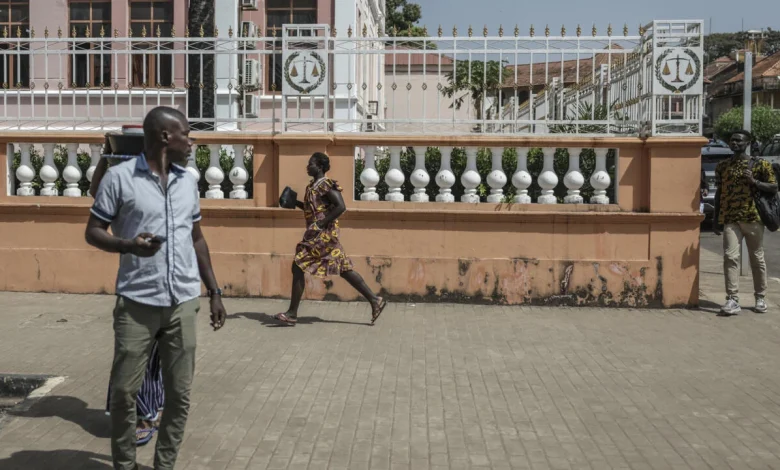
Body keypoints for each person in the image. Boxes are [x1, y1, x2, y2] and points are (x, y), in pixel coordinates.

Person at [85, 106, 227, 470]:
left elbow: (196, 239)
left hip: (183, 302)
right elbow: (94, 231)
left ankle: (164, 464)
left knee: (179, 395)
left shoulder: (187, 182)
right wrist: (129, 245)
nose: (191, 141)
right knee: (123, 393)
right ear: (166, 136)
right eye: (186, 134)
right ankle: (126, 464)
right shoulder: (119, 179)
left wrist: (214, 292)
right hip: (136, 303)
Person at [89, 161, 165, 447]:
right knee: (138, 355)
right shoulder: (121, 185)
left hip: (168, 287)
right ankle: (143, 415)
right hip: (137, 287)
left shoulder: (172, 183)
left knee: (156, 356)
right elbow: (95, 193)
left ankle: (151, 410)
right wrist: (105, 158)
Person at [274, 152, 387, 325]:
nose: (307, 166)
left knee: (298, 265)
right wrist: (294, 203)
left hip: (323, 236)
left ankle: (291, 314)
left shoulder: (325, 184)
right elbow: (313, 209)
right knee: (343, 269)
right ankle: (375, 300)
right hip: (319, 235)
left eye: (310, 163)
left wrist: (321, 224)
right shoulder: (312, 186)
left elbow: (341, 206)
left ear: (319, 166)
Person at [713, 130, 778, 315]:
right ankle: (732, 299)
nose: (735, 143)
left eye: (739, 141)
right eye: (732, 141)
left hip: (753, 218)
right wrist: (716, 218)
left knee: (756, 258)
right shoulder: (723, 166)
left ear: (747, 143)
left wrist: (754, 181)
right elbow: (719, 192)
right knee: (730, 257)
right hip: (730, 218)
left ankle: (760, 297)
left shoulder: (760, 164)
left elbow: (774, 187)